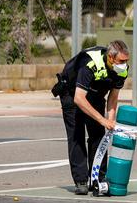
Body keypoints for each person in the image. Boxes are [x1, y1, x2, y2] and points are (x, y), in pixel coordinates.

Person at [54, 40, 130, 194]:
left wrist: (111, 120)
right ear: (110, 57)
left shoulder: (122, 70)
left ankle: (98, 179)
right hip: (72, 93)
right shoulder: (90, 65)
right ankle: (81, 181)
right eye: (121, 61)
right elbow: (79, 98)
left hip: (96, 94)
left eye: (126, 61)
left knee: (98, 135)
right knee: (77, 135)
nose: (124, 64)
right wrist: (102, 119)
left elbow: (113, 97)